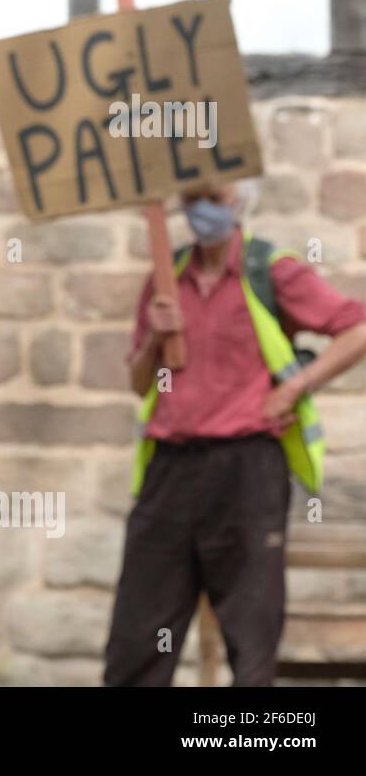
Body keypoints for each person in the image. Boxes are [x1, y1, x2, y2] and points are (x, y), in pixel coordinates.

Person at [105, 180, 366, 686]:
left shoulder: (271, 270)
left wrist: (292, 390)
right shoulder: (166, 278)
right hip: (170, 473)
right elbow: (141, 384)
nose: (203, 212)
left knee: (251, 635)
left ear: (241, 200)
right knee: (139, 636)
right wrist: (157, 337)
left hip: (247, 471)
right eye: (193, 200)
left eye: (215, 200)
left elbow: (355, 329)